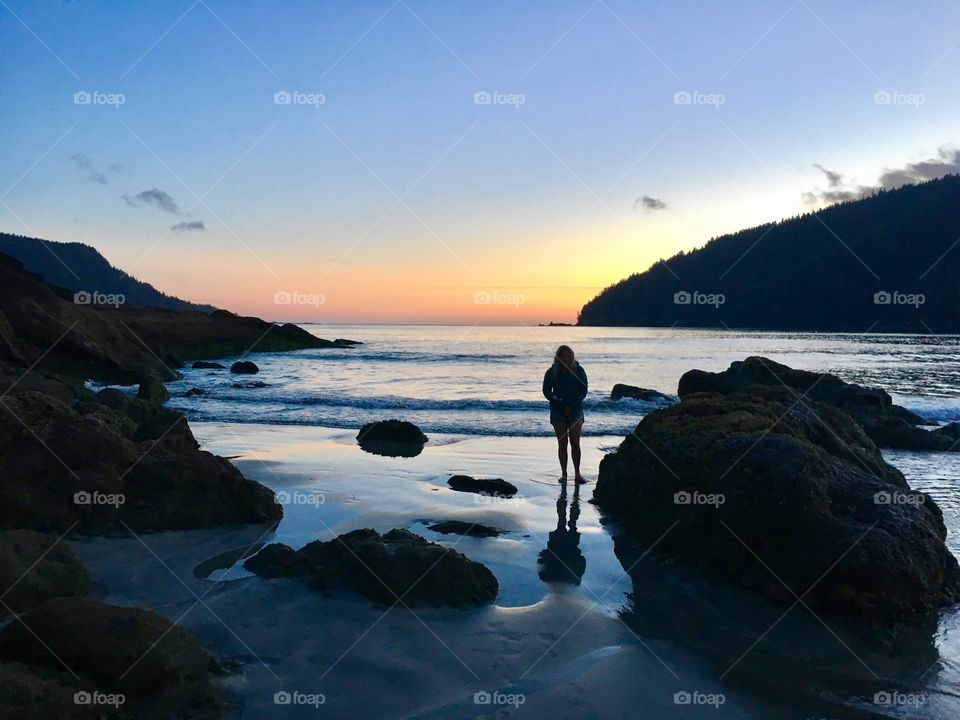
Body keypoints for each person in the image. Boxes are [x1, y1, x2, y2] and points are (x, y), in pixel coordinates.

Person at [542, 344, 588, 483]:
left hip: (576, 411)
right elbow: (546, 390)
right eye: (564, 356)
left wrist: (572, 405)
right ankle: (564, 474)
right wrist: (554, 399)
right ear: (558, 357)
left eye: (569, 356)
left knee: (575, 443)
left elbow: (583, 390)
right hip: (557, 411)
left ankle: (578, 474)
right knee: (562, 443)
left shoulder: (579, 370)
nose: (567, 359)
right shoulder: (551, 372)